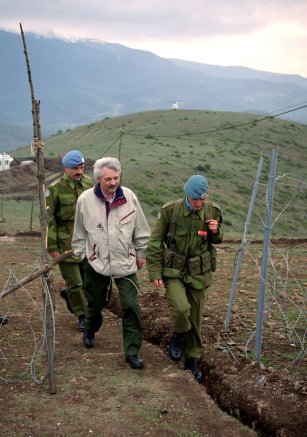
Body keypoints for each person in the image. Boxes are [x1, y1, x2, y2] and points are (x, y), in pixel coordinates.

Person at [72, 157, 150, 369]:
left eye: (116, 178)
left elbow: (141, 229)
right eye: (108, 179)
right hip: (96, 263)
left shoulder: (129, 197)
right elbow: (79, 233)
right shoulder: (85, 200)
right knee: (96, 304)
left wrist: (141, 253)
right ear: (99, 179)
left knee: (131, 306)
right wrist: (82, 256)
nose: (113, 182)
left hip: (125, 262)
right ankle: (90, 328)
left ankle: (132, 351)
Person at [146, 175, 223, 382]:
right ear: (187, 195)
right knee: (181, 309)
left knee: (196, 319)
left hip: (199, 272)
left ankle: (192, 360)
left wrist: (215, 232)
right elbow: (155, 243)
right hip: (174, 271)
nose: (199, 203)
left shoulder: (213, 211)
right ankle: (178, 335)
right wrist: (154, 272)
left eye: (202, 200)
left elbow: (216, 240)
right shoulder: (170, 211)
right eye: (195, 199)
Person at [46, 150, 94, 332]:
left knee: (87, 281)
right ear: (65, 168)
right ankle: (83, 316)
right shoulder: (55, 188)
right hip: (65, 243)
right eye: (75, 168)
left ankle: (70, 296)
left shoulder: (89, 183)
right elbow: (48, 219)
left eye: (81, 167)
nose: (79, 171)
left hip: (87, 242)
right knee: (75, 283)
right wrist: (51, 245)